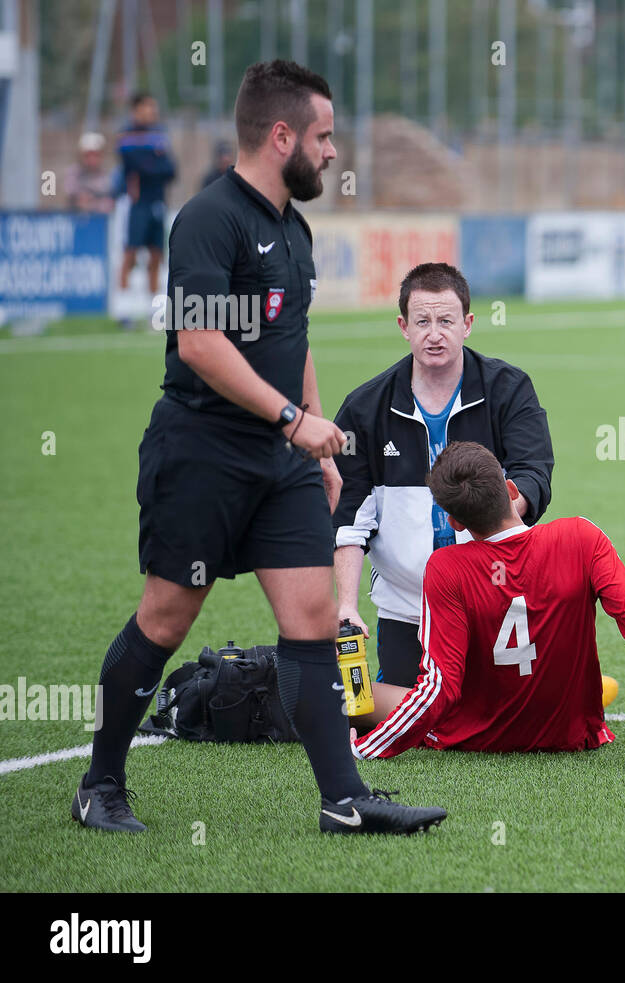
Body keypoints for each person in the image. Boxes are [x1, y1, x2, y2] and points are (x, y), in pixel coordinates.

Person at [71, 60, 446, 835]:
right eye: (324, 136)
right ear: (282, 137)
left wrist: (315, 442)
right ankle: (100, 783)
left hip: (282, 461)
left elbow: (291, 339)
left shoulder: (293, 227)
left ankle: (345, 798)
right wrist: (292, 420)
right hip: (202, 452)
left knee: (311, 617)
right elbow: (200, 343)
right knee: (166, 618)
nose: (334, 152)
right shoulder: (210, 219)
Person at [350, 441, 625, 766]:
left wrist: (369, 748)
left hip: (473, 737)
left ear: (455, 523)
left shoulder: (446, 567)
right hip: (571, 735)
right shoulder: (581, 537)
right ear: (512, 490)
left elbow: (441, 685)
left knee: (339, 683)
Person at [332, 262, 554, 688]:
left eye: (446, 321)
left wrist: (499, 512)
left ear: (467, 324)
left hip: (496, 595)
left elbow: (534, 473)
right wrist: (346, 605)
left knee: (504, 717)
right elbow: (347, 516)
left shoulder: (509, 389)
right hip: (405, 604)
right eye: (423, 321)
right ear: (403, 326)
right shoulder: (364, 408)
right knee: (399, 718)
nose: (435, 334)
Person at [117, 93, 176, 297]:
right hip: (137, 203)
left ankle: (153, 305)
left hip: (158, 201)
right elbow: (138, 166)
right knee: (131, 253)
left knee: (156, 254)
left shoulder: (159, 134)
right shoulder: (127, 136)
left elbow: (170, 170)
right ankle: (123, 306)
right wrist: (155, 163)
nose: (153, 112)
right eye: (149, 107)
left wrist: (154, 165)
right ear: (136, 110)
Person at [65, 133, 116, 214]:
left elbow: (109, 202)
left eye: (96, 155)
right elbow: (72, 195)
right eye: (88, 155)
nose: (92, 159)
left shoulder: (108, 175)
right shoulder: (73, 173)